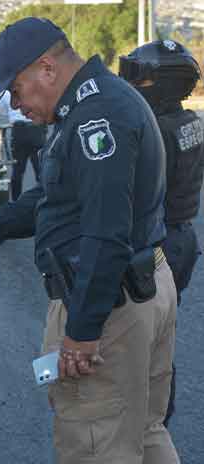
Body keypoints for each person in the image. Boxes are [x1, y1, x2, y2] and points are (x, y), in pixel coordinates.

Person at [0, 17, 179, 463]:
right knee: (143, 433)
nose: (16, 105)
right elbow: (59, 194)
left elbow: (105, 232)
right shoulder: (92, 105)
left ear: (46, 68)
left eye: (15, 90)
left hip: (109, 302)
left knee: (94, 442)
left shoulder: (96, 118)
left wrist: (82, 330)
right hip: (135, 286)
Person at [120, 39, 204, 428]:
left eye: (140, 76)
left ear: (162, 84)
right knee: (161, 337)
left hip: (159, 244)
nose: (133, 83)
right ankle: (156, 420)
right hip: (183, 238)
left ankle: (148, 423)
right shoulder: (190, 122)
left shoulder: (155, 131)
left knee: (140, 341)